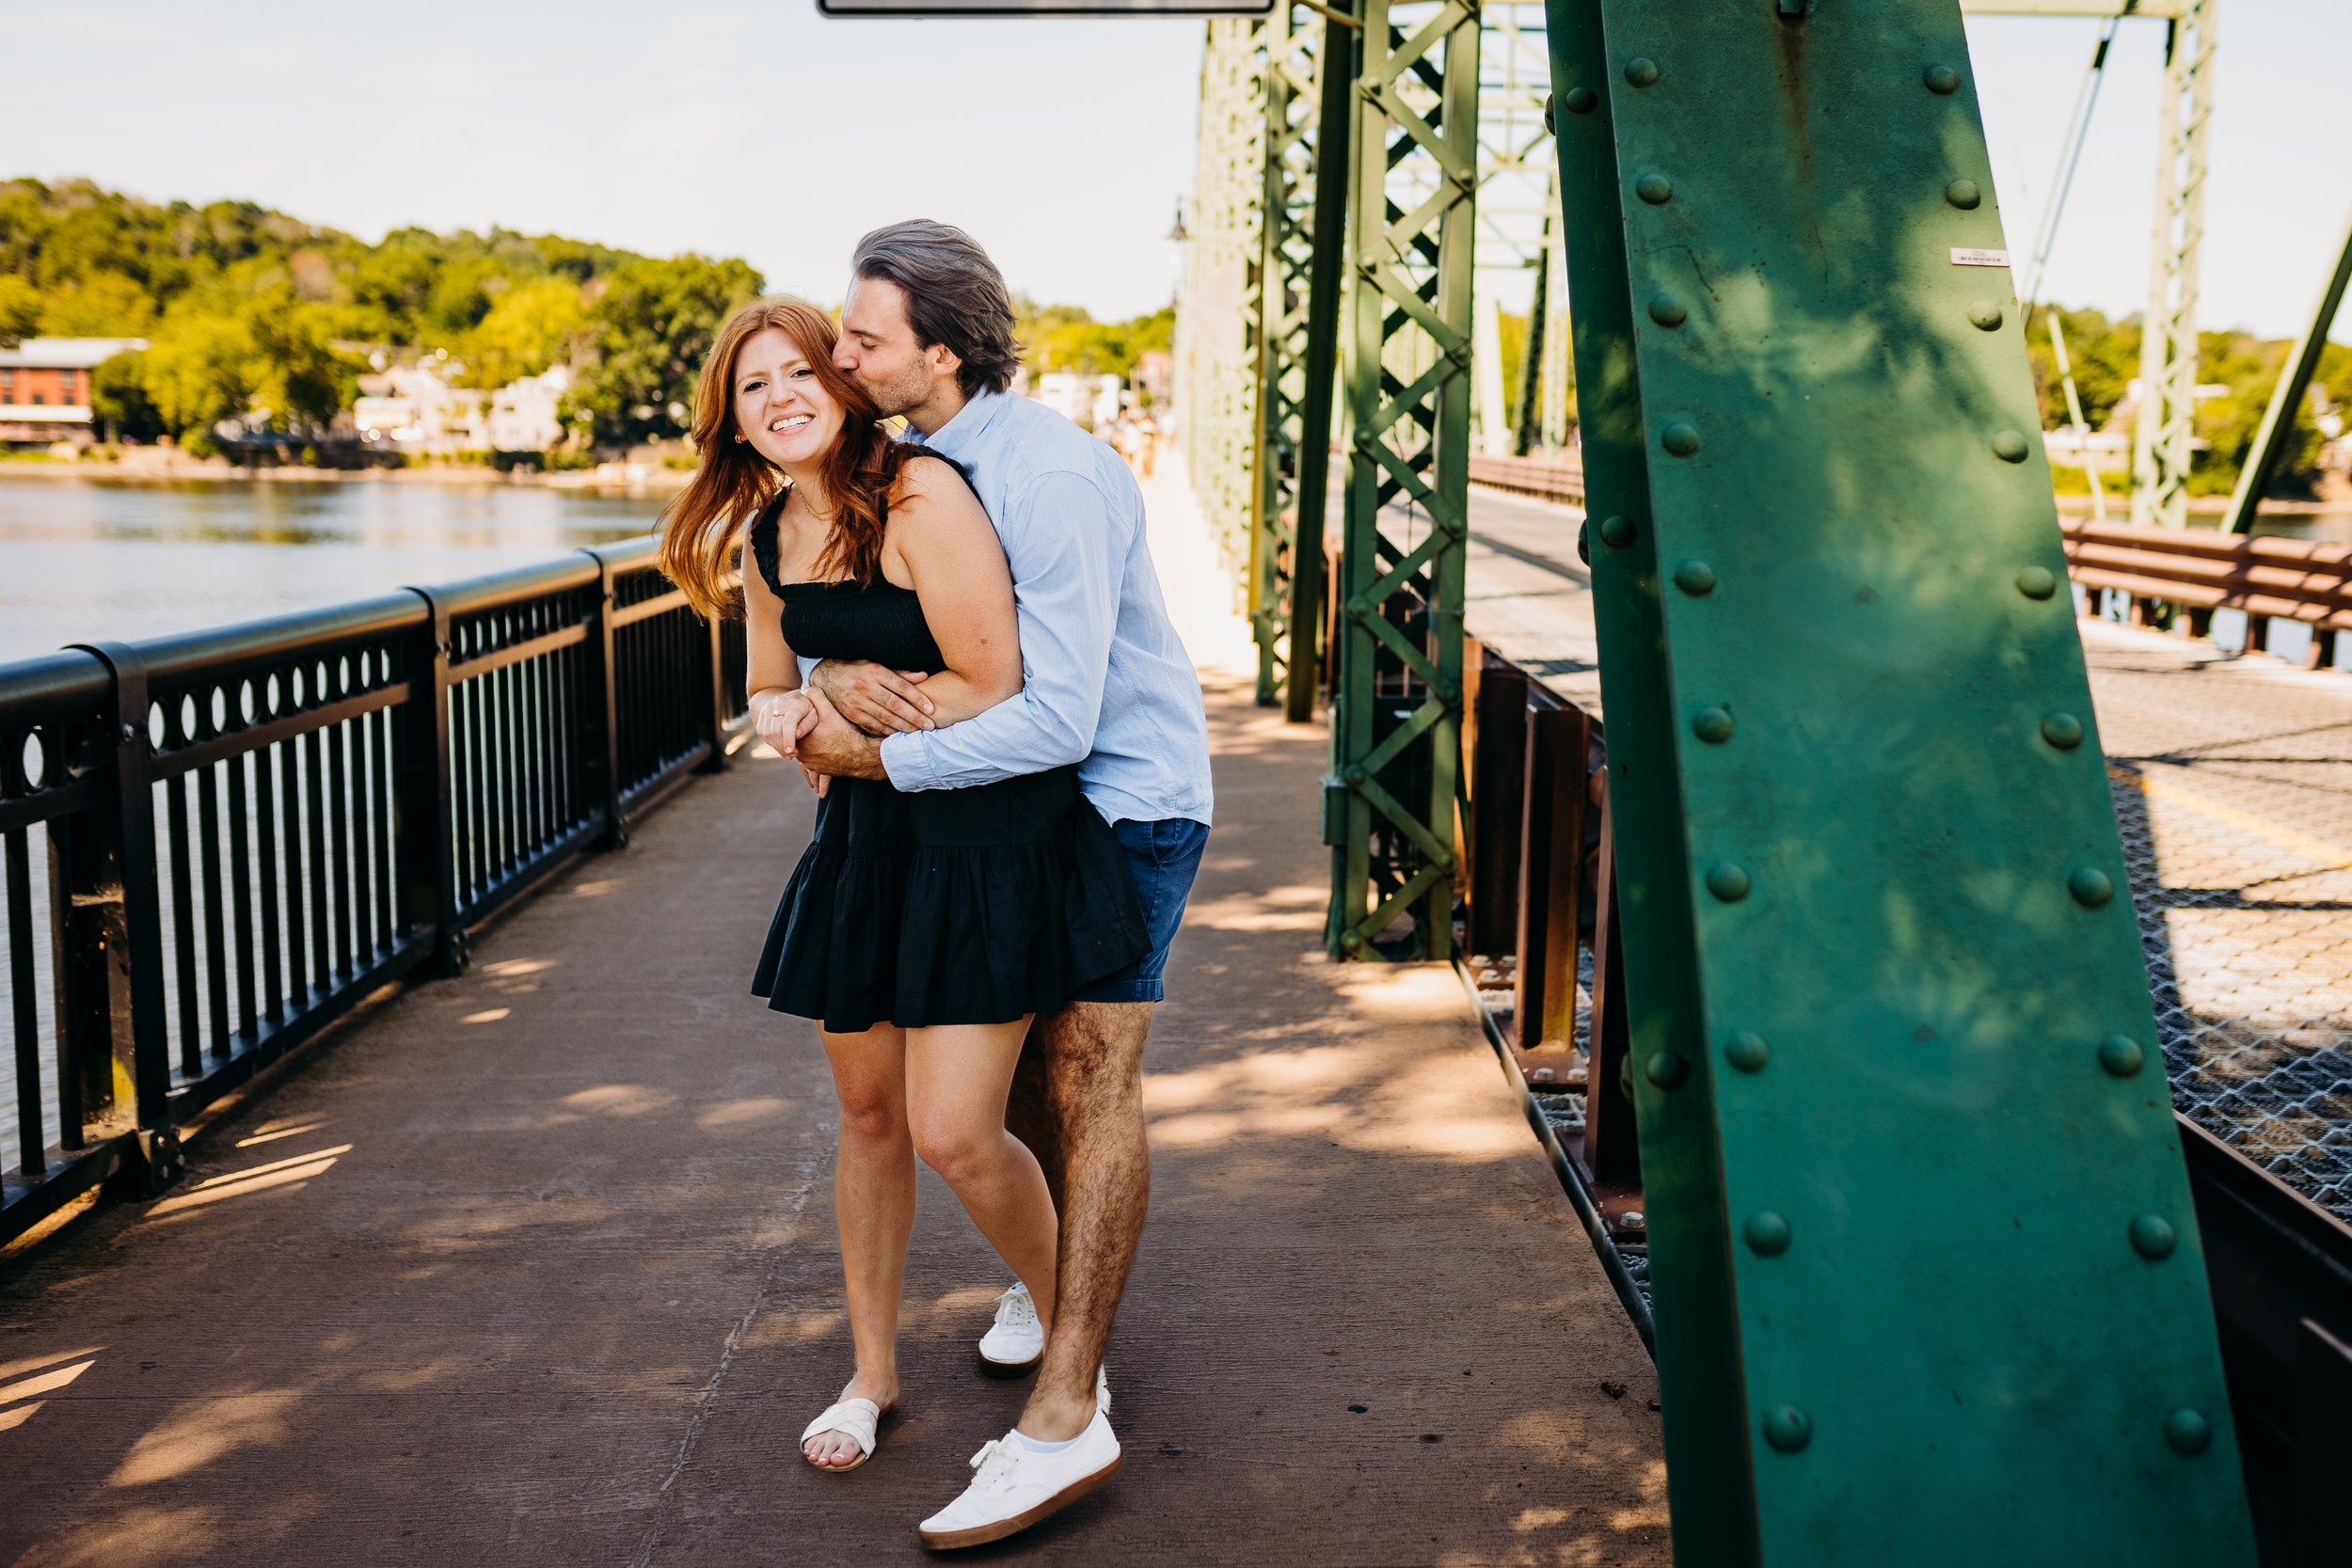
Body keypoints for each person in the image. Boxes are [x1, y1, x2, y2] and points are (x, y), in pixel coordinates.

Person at [654, 297, 1151, 1481]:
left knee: (953, 1132)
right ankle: (872, 1372)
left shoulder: (922, 492)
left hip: (984, 836)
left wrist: (849, 708)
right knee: (868, 1120)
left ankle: (1075, 1345)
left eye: (796, 371)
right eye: (750, 385)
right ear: (732, 416)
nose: (778, 397)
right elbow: (767, 693)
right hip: (868, 844)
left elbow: (998, 678)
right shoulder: (769, 533)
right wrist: (808, 695)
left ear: (836, 378)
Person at [795, 219, 1214, 1549]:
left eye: (863, 337)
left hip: (1118, 802)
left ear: (945, 347)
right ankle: (1054, 1295)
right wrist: (820, 682)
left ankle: (1070, 1402)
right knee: (1012, 1080)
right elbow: (853, 627)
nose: (840, 354)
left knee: (1087, 1081)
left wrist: (867, 756)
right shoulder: (907, 471)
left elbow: (1059, 715)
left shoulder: (1049, 477)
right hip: (1008, 815)